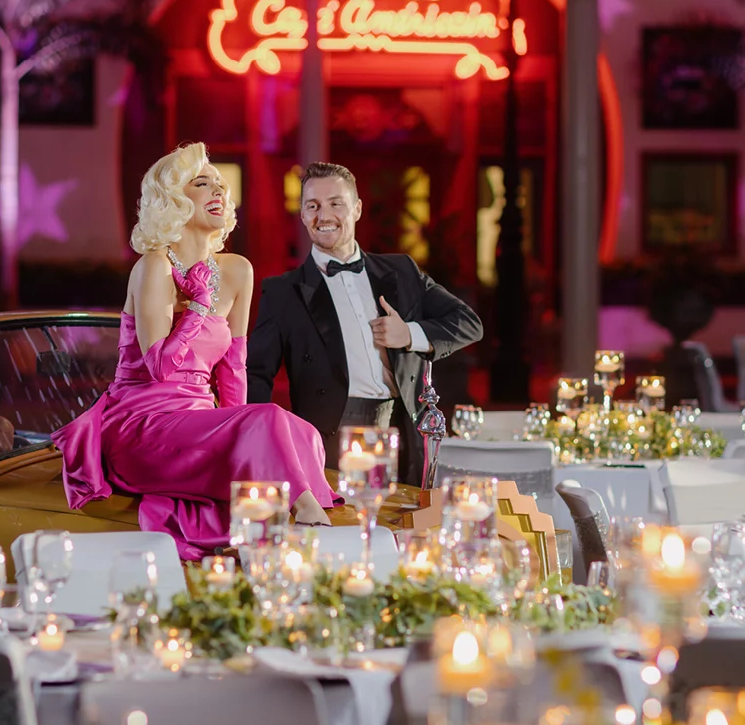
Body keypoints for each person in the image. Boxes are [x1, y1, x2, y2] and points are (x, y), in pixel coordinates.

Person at [51, 144, 337, 561]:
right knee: (270, 419)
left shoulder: (237, 270)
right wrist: (200, 307)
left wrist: (247, 434)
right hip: (141, 425)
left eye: (220, 183)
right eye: (202, 183)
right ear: (172, 200)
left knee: (298, 431)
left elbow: (234, 369)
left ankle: (279, 528)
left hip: (198, 422)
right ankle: (314, 525)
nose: (218, 189)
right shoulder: (153, 266)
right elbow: (159, 367)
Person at [246, 161, 483, 487]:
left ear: (357, 209)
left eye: (336, 203)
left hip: (404, 430)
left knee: (403, 518)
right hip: (327, 440)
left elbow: (468, 322)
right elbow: (255, 375)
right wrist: (263, 443)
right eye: (313, 206)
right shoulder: (282, 292)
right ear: (301, 214)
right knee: (342, 520)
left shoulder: (402, 271)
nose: (323, 215)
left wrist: (410, 334)